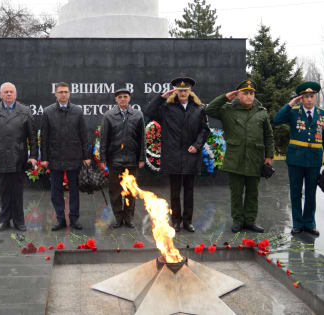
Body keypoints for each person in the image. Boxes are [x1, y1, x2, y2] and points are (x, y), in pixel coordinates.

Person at [206, 80, 274, 234]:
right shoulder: (228, 110)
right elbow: (210, 110)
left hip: (255, 158)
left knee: (252, 193)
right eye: (245, 93)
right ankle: (237, 220)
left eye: (251, 93)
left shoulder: (261, 112)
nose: (249, 96)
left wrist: (269, 156)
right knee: (236, 193)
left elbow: (268, 136)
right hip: (235, 159)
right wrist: (225, 97)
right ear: (238, 94)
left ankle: (250, 221)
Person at [145, 77, 210, 233]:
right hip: (173, 156)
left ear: (190, 92)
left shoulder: (198, 109)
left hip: (190, 156)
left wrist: (197, 145)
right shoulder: (167, 108)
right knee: (175, 192)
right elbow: (148, 112)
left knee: (189, 192)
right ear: (176, 91)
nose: (182, 93)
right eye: (180, 90)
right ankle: (176, 221)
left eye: (185, 90)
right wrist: (161, 98)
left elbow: (204, 130)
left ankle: (187, 221)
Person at [274, 81, 324, 236]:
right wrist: (290, 103)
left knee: (311, 192)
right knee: (295, 192)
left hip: (314, 159)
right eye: (305, 96)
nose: (309, 99)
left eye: (311, 96)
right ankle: (297, 224)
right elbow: (277, 119)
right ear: (301, 98)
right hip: (295, 159)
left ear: (316, 97)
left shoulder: (323, 114)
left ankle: (309, 223)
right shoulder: (293, 112)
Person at [0, 82, 37, 232]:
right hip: (0, 158)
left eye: (11, 92)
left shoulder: (25, 111)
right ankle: (4, 220)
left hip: (18, 158)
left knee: (18, 191)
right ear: (0, 95)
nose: (8, 94)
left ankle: (19, 221)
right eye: (5, 92)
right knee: (4, 191)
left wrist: (33, 156)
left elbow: (32, 137)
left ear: (15, 94)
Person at [41, 82, 90, 231]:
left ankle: (74, 219)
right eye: (60, 92)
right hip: (55, 158)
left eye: (66, 92)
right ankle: (60, 219)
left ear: (69, 94)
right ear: (55, 94)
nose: (63, 94)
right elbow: (44, 137)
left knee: (74, 190)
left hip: (74, 157)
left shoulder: (78, 111)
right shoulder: (48, 112)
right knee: (56, 191)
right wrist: (44, 158)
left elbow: (84, 135)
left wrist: (86, 156)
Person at [100, 88, 146, 228]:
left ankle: (129, 218)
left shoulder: (137, 115)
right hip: (114, 161)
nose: (123, 99)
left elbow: (141, 138)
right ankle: (118, 218)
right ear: (116, 99)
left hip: (132, 160)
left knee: (131, 192)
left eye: (125, 96)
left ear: (129, 98)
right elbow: (104, 139)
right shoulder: (109, 116)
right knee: (115, 192)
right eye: (120, 97)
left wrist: (141, 158)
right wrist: (102, 159)